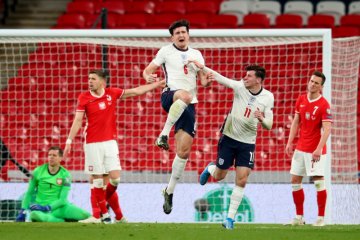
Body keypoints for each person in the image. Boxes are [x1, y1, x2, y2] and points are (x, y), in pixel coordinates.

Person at [64, 70, 165, 223]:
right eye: (89, 78)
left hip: (110, 142)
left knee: (115, 179)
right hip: (92, 143)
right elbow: (78, 121)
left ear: (102, 82)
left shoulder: (112, 93)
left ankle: (101, 207)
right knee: (97, 180)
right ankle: (102, 215)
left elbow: (136, 91)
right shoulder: (84, 97)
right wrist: (69, 141)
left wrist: (157, 84)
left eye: (93, 79)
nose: (89, 81)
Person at [191, 60, 274, 230]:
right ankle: (210, 169)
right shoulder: (240, 86)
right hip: (229, 138)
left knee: (241, 179)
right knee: (220, 176)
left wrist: (262, 119)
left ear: (258, 80)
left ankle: (229, 219)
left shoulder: (268, 97)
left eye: (249, 76)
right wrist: (201, 66)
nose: (245, 77)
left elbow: (269, 125)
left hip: (247, 143)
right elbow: (220, 77)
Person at [142, 19, 208, 214]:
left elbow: (203, 82)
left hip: (189, 106)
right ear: (172, 36)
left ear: (188, 34)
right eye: (177, 32)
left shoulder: (197, 54)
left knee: (184, 152)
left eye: (183, 32)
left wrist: (203, 71)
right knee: (184, 94)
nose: (181, 35)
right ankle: (163, 134)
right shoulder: (165, 51)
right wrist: (150, 78)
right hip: (170, 95)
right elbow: (147, 71)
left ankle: (169, 191)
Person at [285, 71, 332, 227]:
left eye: (316, 83)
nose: (312, 84)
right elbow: (296, 122)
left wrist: (318, 149)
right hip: (300, 148)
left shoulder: (324, 105)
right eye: (311, 81)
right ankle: (299, 217)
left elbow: (327, 129)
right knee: (295, 180)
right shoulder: (301, 99)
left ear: (321, 87)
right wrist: (290, 141)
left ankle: (320, 218)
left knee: (318, 181)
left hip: (315, 150)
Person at [15, 146, 91, 222]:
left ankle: (58, 219)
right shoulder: (38, 171)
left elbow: (63, 200)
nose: (51, 157)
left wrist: (48, 207)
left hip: (59, 208)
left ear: (60, 158)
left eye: (54, 155)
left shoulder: (66, 175)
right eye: (49, 155)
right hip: (41, 209)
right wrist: (23, 211)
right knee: (34, 215)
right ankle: (62, 221)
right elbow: (29, 193)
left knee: (87, 216)